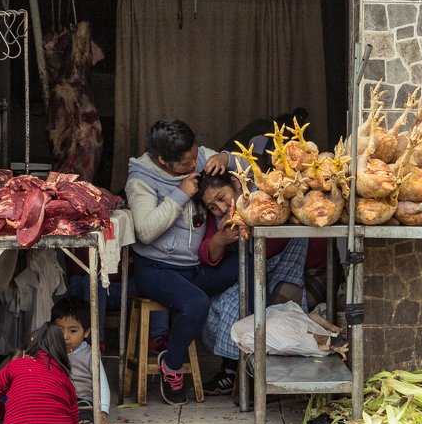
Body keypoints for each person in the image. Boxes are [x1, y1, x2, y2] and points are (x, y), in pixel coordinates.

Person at [126, 119, 240, 405]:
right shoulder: (141, 180)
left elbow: (248, 164)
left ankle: (239, 362)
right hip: (156, 269)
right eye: (186, 162)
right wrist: (180, 194)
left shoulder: (199, 157)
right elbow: (145, 231)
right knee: (197, 303)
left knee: (246, 265)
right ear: (163, 160)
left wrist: (225, 157)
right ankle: (172, 366)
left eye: (195, 156)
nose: (194, 164)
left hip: (194, 269)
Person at [194, 172, 318, 395]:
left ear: (236, 184)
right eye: (212, 207)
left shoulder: (264, 200)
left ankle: (280, 377)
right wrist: (220, 240)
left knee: (282, 315)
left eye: (222, 198)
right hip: (246, 280)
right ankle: (232, 371)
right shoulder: (220, 222)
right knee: (234, 309)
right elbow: (207, 254)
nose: (221, 209)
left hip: (283, 273)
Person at [51, 295, 110, 424]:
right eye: (59, 330)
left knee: (85, 411)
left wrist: (103, 411)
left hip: (81, 401)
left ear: (86, 332)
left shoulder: (90, 354)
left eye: (73, 331)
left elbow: (102, 383)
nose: (65, 336)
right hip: (57, 400)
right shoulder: (49, 352)